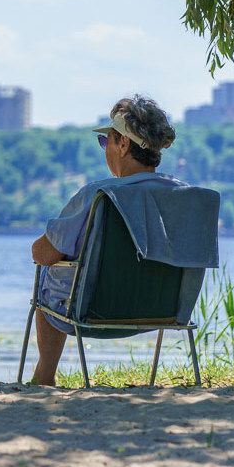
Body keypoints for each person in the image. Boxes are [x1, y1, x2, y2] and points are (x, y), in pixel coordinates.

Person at [29, 95, 183, 386]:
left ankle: (45, 376)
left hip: (93, 309)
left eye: (106, 142)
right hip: (166, 309)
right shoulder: (183, 197)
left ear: (123, 144)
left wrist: (39, 249)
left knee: (49, 274)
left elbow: (45, 253)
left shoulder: (99, 196)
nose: (105, 150)